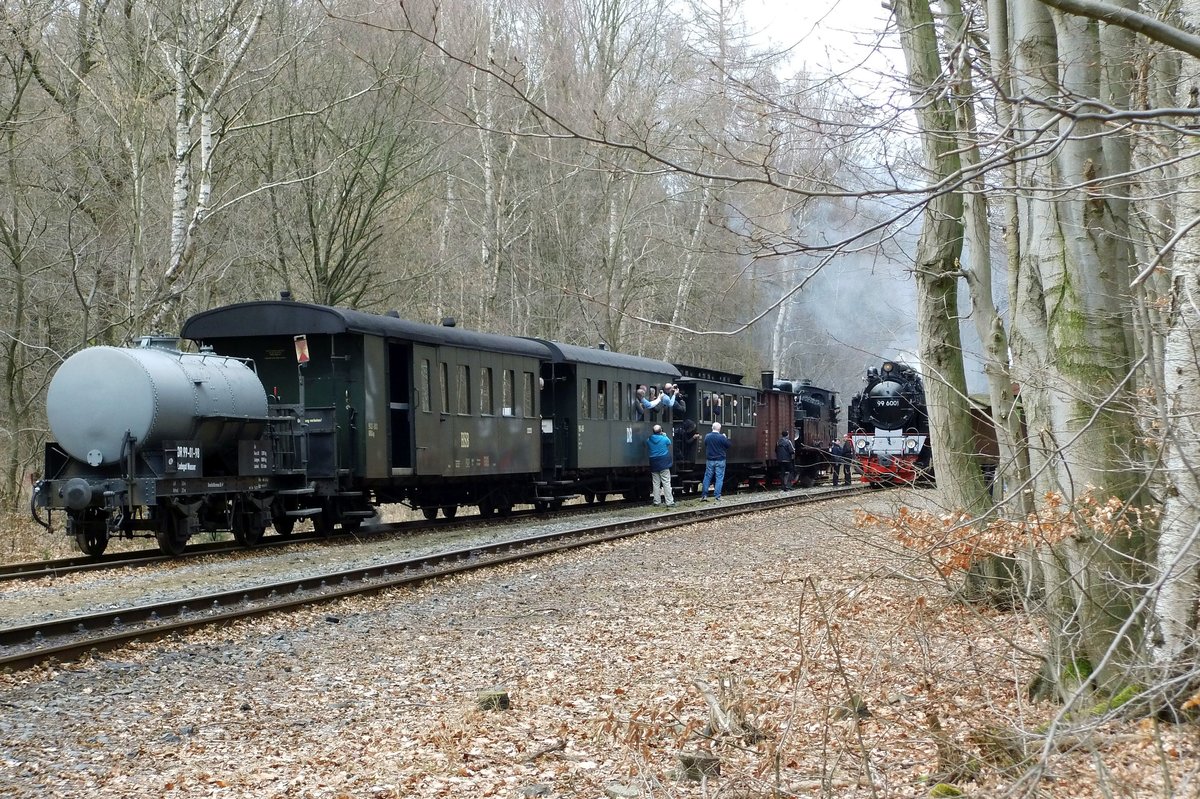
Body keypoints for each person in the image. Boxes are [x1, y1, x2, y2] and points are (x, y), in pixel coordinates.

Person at [700, 422, 732, 501]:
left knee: (707, 477)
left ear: (712, 428)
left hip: (710, 460)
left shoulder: (707, 436)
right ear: (719, 429)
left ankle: (704, 495)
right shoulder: (722, 437)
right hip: (720, 460)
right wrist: (726, 438)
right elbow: (728, 445)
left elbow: (705, 444)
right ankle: (717, 496)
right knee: (719, 478)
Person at [645, 424, 674, 507]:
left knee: (655, 483)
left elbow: (647, 443)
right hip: (664, 462)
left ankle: (656, 501)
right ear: (661, 431)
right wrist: (664, 435)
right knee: (666, 482)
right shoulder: (664, 439)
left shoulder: (649, 440)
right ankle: (669, 502)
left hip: (654, 462)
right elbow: (669, 442)